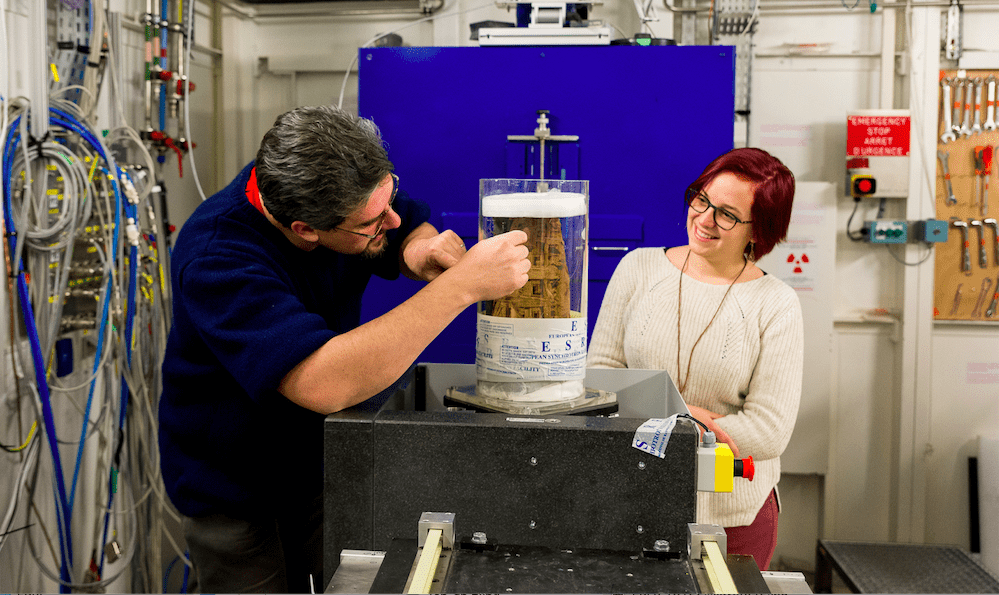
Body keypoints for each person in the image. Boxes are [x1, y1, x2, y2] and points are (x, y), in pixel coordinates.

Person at [158, 105, 531, 593]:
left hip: (319, 466)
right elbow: (322, 382)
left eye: (389, 196)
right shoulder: (219, 257)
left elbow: (406, 221)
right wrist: (459, 288)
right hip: (237, 492)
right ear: (306, 231)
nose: (391, 218)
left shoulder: (340, 188)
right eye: (373, 225)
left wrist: (413, 247)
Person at [588, 147, 803, 572]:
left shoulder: (775, 304)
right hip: (633, 496)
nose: (703, 219)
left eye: (726, 214)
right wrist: (687, 418)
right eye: (701, 199)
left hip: (732, 517)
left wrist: (679, 424)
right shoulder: (639, 270)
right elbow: (598, 384)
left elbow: (770, 430)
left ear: (757, 229)